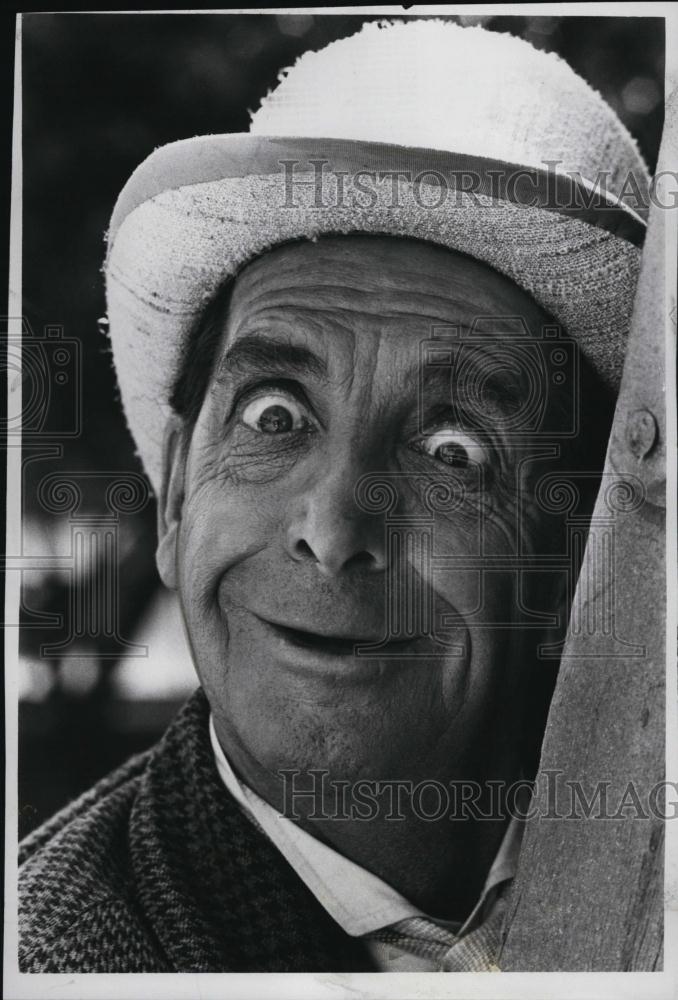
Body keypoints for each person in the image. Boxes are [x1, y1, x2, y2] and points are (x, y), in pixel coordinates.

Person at [18, 19, 649, 972]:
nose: (332, 527)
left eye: (452, 450)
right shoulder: (56, 956)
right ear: (178, 493)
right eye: (275, 417)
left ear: (583, 554)